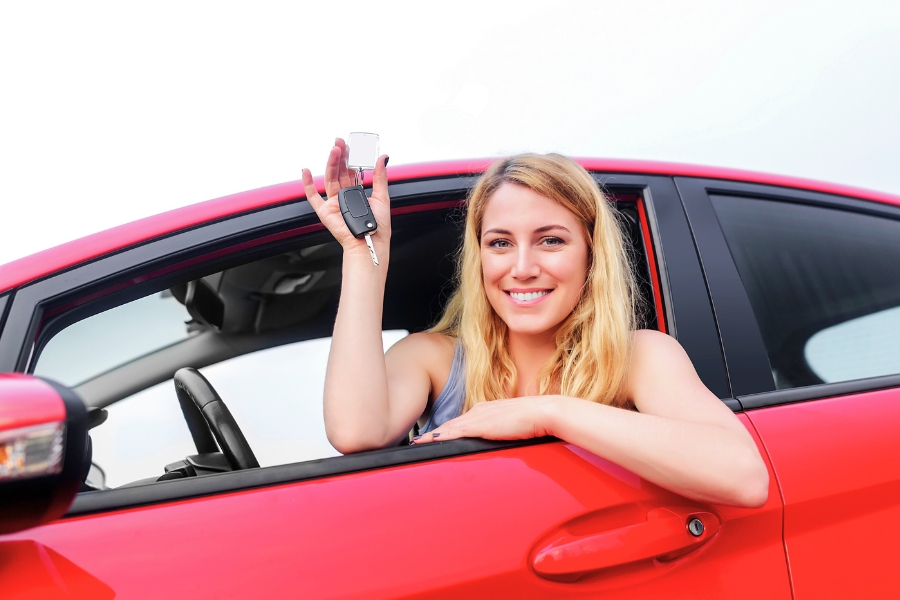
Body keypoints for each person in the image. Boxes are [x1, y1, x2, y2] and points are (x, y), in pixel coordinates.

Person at [301, 139, 769, 508]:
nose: (521, 267)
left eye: (550, 240)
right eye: (500, 243)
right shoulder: (434, 358)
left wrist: (549, 412)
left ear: (590, 254)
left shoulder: (640, 355)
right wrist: (363, 256)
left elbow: (744, 477)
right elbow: (355, 431)